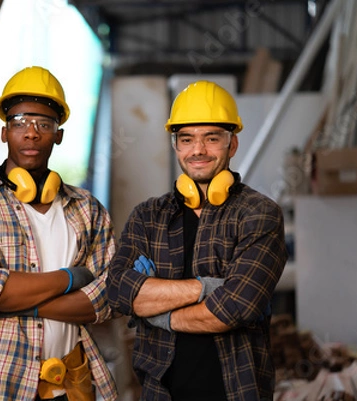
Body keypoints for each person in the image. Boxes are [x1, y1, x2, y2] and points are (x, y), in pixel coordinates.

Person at [105, 80, 288, 401]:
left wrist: (155, 312)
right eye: (186, 139)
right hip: (162, 391)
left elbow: (236, 307)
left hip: (236, 390)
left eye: (211, 138)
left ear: (232, 145)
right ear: (176, 146)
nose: (198, 150)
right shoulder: (148, 216)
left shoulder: (260, 214)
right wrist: (207, 288)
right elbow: (119, 291)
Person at [0, 66, 117, 401]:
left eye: (44, 124)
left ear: (58, 135)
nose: (31, 133)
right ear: (4, 132)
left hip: (71, 382)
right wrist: (71, 278)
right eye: (20, 122)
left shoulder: (87, 208)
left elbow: (108, 299)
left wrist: (14, 302)